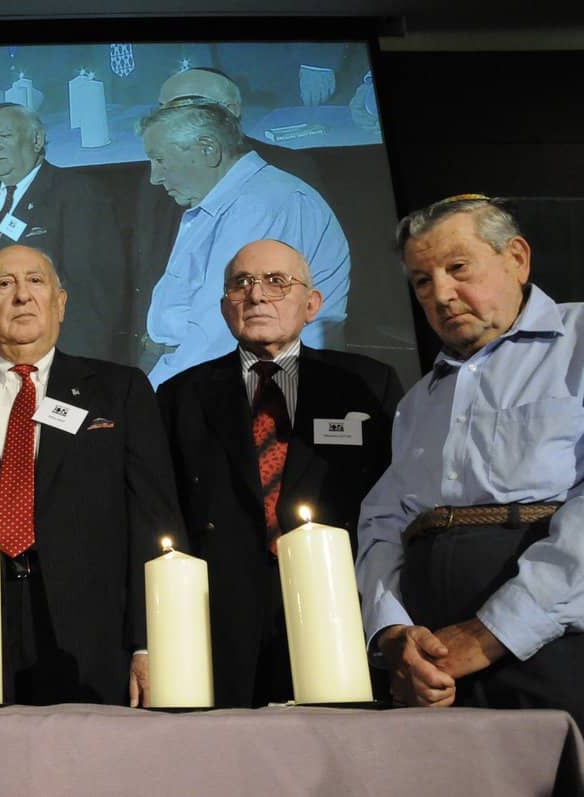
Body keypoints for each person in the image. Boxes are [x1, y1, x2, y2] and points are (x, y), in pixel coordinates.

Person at [0, 244, 181, 706]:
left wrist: (150, 644)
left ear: (60, 303)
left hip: (92, 643)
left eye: (36, 281)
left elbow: (153, 522)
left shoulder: (119, 391)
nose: (22, 295)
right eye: (4, 284)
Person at [356, 195, 584, 724]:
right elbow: (384, 521)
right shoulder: (418, 402)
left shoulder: (577, 344)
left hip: (551, 647)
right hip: (434, 666)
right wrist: (394, 636)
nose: (441, 294)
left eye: (458, 268)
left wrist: (493, 633)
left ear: (517, 258)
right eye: (421, 281)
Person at [157, 239, 401, 707]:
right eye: (240, 283)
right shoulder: (179, 397)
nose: (256, 295)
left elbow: (396, 498)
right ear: (225, 307)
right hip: (219, 621)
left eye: (276, 282)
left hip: (341, 610)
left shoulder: (368, 385)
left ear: (312, 305)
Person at [137, 99, 350, 389]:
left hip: (237, 383)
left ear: (208, 149)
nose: (154, 177)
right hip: (200, 373)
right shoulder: (235, 201)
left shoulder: (265, 204)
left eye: (160, 160)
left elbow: (220, 332)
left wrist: (152, 399)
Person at [0, 103, 127, 371]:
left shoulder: (77, 194)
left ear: (37, 139)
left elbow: (92, 294)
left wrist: (77, 369)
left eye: (4, 137)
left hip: (40, 358)